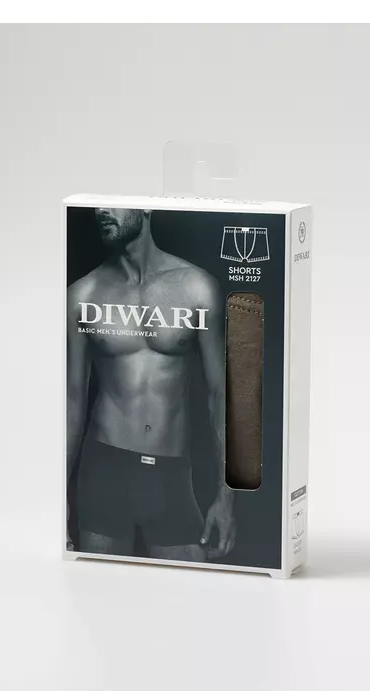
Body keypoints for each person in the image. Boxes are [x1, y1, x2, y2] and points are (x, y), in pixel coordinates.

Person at [67, 207, 235, 561]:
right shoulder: (82, 294)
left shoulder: (196, 287)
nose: (101, 211)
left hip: (171, 476)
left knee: (189, 592)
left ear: (145, 207)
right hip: (102, 471)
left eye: (113, 202)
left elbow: (220, 396)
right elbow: (72, 399)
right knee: (95, 590)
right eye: (97, 203)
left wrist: (226, 495)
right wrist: (56, 498)